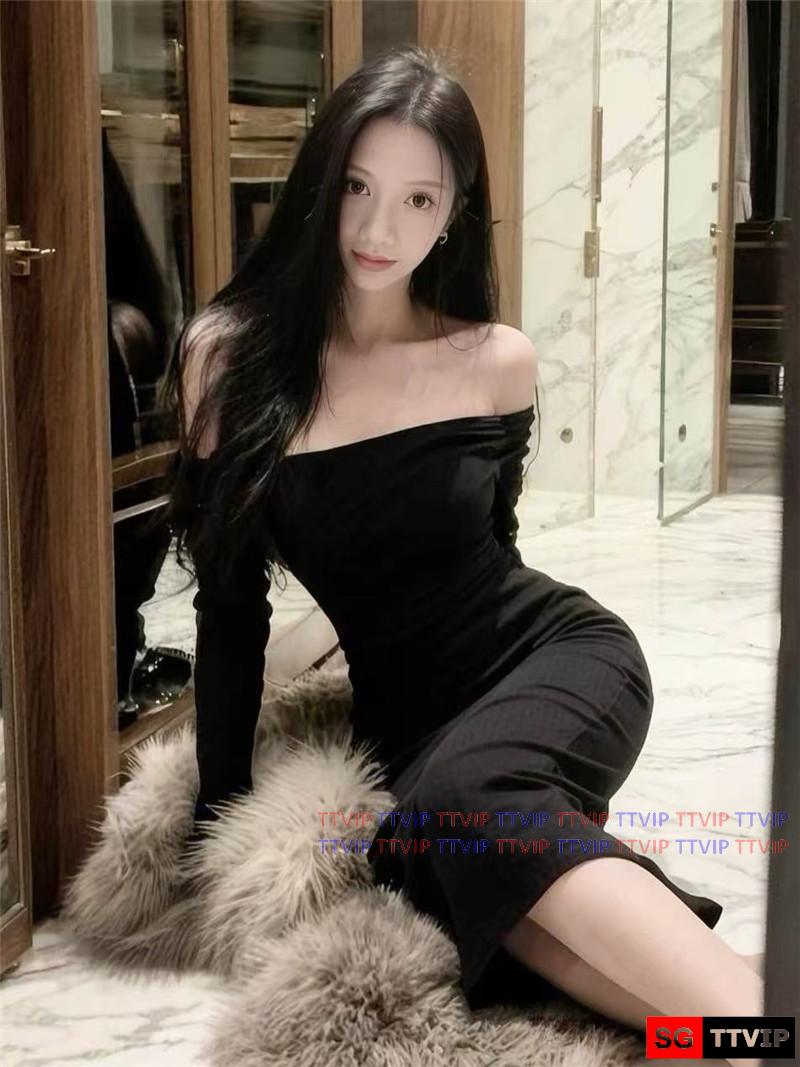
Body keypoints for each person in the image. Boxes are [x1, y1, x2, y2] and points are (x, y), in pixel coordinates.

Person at [159, 45, 762, 1061]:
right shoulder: (227, 359)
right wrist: (216, 815)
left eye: (417, 199)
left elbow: (494, 548)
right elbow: (230, 609)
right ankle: (745, 1022)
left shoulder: (493, 360)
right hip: (411, 725)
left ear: (454, 215)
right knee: (457, 865)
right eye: (357, 186)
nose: (377, 229)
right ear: (319, 181)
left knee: (466, 805)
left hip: (561, 658)